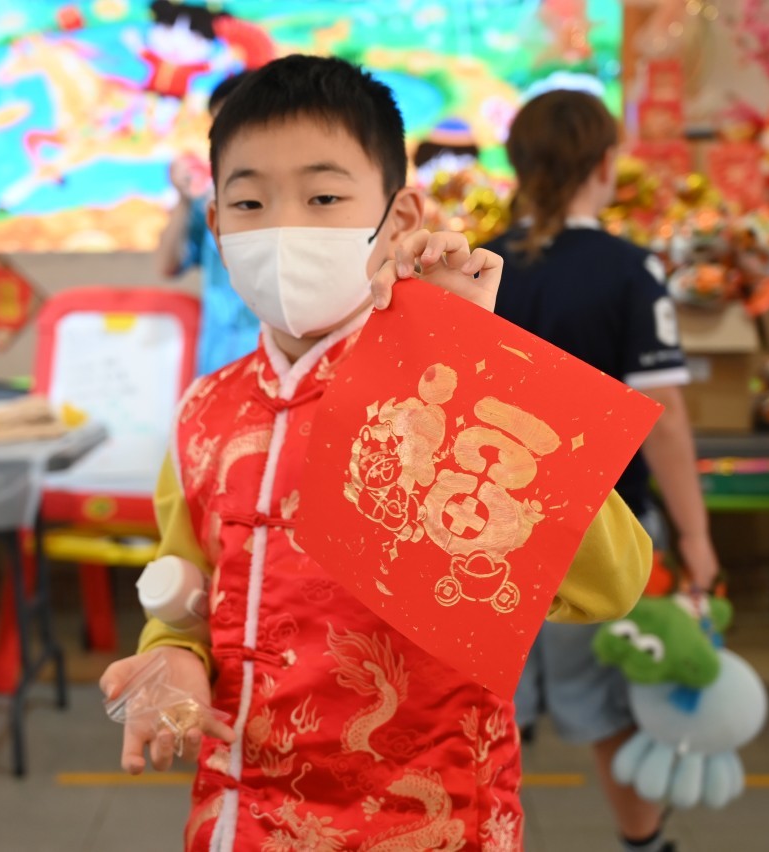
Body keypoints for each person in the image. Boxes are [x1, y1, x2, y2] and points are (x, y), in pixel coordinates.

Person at [100, 55, 652, 849]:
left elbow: (613, 582)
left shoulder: (447, 385)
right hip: (236, 821)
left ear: (399, 219)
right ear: (215, 222)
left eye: (323, 197)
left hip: (433, 827)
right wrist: (172, 657)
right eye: (250, 201)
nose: (285, 227)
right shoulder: (204, 413)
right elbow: (188, 586)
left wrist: (477, 362)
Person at [483, 89, 721, 852]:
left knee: (482, 710)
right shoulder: (629, 271)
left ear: (517, 162)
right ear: (606, 164)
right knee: (611, 706)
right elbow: (665, 420)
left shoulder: (475, 266)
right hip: (598, 533)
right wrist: (696, 539)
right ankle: (644, 843)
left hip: (482, 530)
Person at [155, 72, 260, 375]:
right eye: (218, 124)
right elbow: (167, 265)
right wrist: (183, 199)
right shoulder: (209, 200)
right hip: (218, 362)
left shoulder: (295, 201)